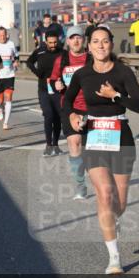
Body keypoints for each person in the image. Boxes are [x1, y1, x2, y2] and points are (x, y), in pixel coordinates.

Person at [61, 27, 139, 274]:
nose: (100, 46)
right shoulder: (82, 74)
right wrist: (73, 115)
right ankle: (114, 258)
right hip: (95, 136)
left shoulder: (123, 72)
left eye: (105, 41)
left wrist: (116, 95)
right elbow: (67, 102)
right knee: (105, 193)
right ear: (89, 46)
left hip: (121, 136)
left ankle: (115, 218)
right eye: (96, 42)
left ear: (111, 44)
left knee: (120, 203)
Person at [51, 25, 90, 200]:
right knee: (74, 143)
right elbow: (53, 80)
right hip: (69, 107)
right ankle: (80, 186)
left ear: (84, 40)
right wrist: (56, 85)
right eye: (72, 38)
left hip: (91, 107)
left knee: (89, 149)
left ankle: (94, 172)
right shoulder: (61, 60)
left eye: (79, 37)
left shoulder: (91, 58)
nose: (76, 41)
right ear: (67, 41)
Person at [27, 28, 64, 155]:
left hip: (58, 90)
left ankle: (56, 145)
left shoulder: (62, 52)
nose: (53, 45)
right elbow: (29, 62)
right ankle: (48, 145)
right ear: (46, 41)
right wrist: (37, 73)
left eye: (55, 42)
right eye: (50, 43)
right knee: (48, 115)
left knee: (57, 117)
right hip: (44, 89)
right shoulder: (40, 51)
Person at [0, 27, 19, 131]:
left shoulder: (11, 44)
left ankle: (6, 123)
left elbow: (16, 56)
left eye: (4, 35)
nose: (2, 37)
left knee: (8, 97)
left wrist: (15, 62)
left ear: (7, 34)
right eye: (0, 35)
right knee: (0, 100)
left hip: (9, 75)